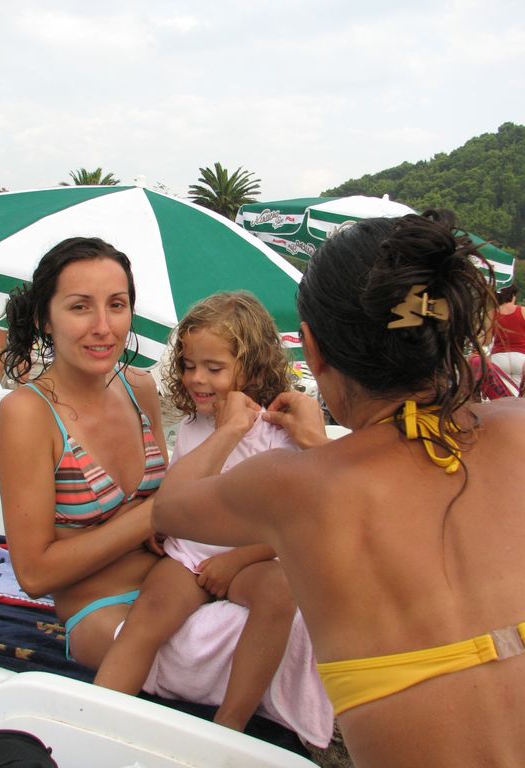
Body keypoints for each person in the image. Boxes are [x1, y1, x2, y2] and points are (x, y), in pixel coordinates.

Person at [153, 211, 525, 767]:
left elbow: (168, 509)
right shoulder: (518, 426)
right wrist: (316, 442)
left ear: (312, 348)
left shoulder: (297, 484)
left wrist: (252, 434)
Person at [94, 291, 298, 732]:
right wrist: (163, 530)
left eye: (214, 368)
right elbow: (178, 497)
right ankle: (95, 718)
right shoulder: (192, 427)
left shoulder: (277, 435)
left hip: (250, 559)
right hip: (189, 555)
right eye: (188, 365)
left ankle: (230, 725)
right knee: (148, 615)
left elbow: (291, 525)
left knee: (282, 591)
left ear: (254, 368)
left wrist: (236, 561)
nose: (197, 378)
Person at [0, 236, 169, 670]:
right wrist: (150, 515)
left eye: (117, 304)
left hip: (178, 589)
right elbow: (35, 574)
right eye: (80, 307)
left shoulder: (139, 388)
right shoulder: (28, 414)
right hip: (104, 614)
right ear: (45, 319)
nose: (103, 326)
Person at [490, 283, 525, 390]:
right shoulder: (523, 311)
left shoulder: (491, 313)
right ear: (513, 295)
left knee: (501, 395)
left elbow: (486, 341)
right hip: (521, 358)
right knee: (518, 395)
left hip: (498, 359)